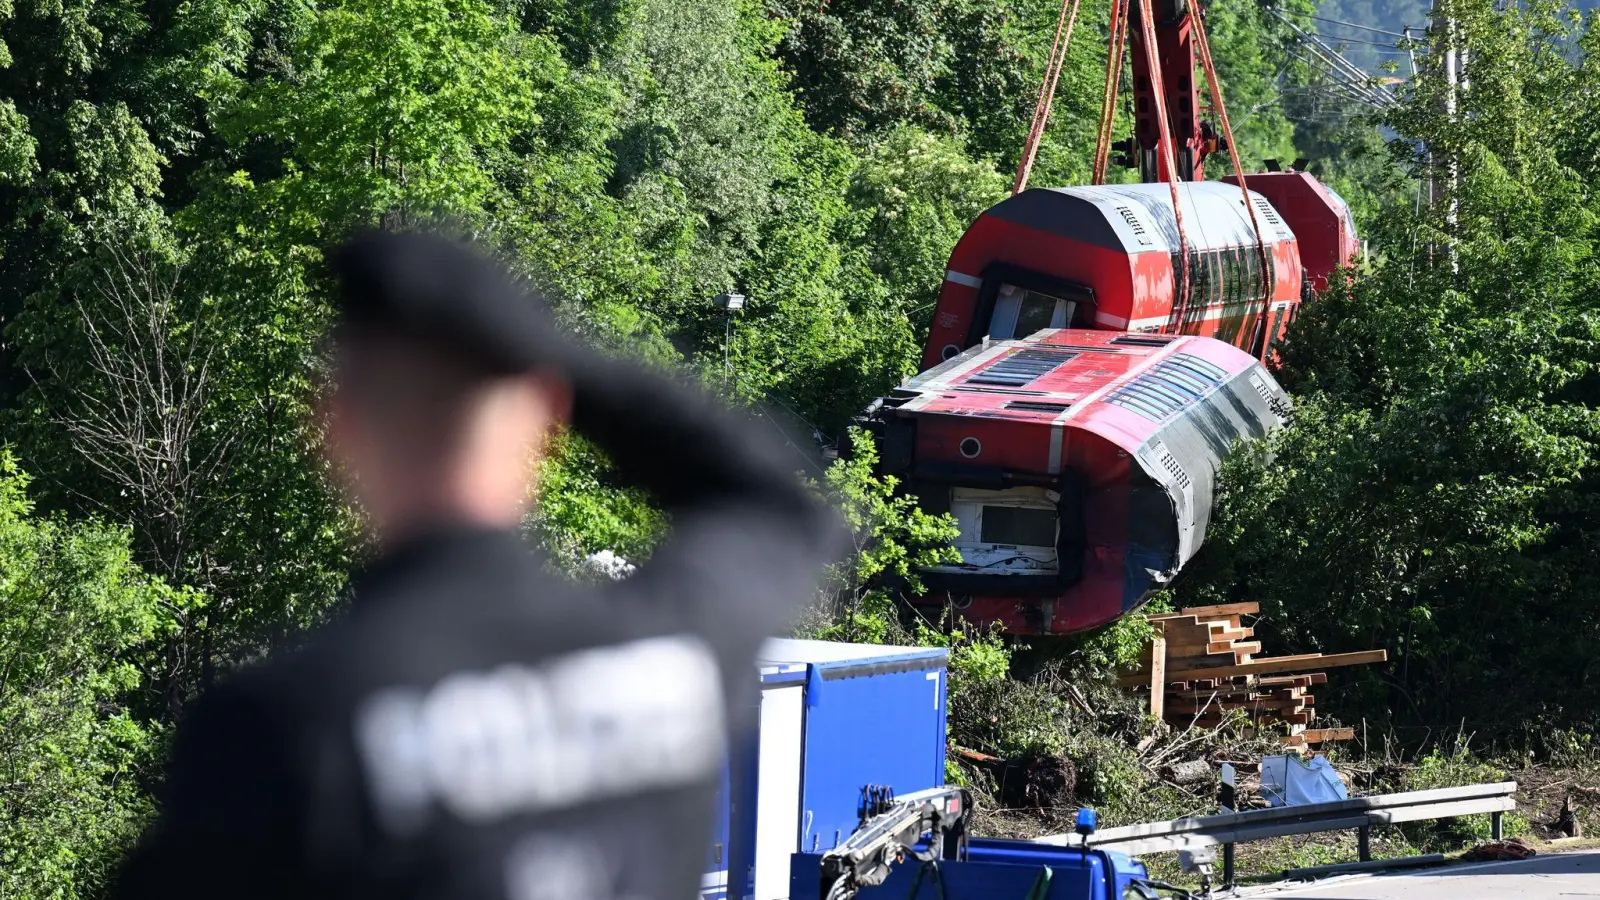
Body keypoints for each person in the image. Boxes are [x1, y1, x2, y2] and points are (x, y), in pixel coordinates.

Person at [112, 230, 844, 900]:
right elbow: (776, 502)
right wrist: (558, 364)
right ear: (545, 418)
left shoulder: (287, 730)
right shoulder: (677, 648)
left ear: (335, 428)